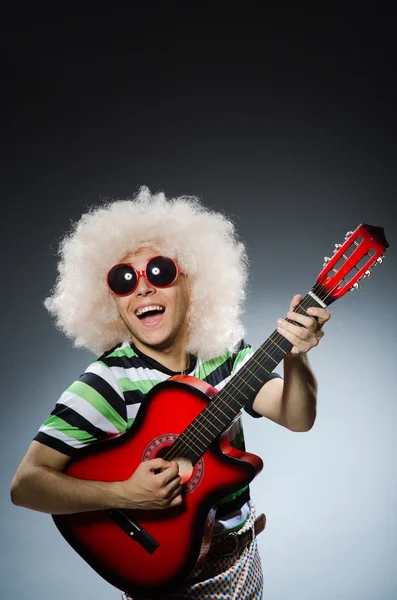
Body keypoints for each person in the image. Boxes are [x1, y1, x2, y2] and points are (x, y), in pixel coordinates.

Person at [10, 186, 330, 599]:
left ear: (191, 284)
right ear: (112, 301)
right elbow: (27, 485)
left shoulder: (227, 356)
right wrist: (124, 494)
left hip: (242, 564)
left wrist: (296, 356)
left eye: (160, 272)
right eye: (124, 280)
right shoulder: (109, 381)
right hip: (160, 572)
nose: (142, 288)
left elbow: (298, 418)